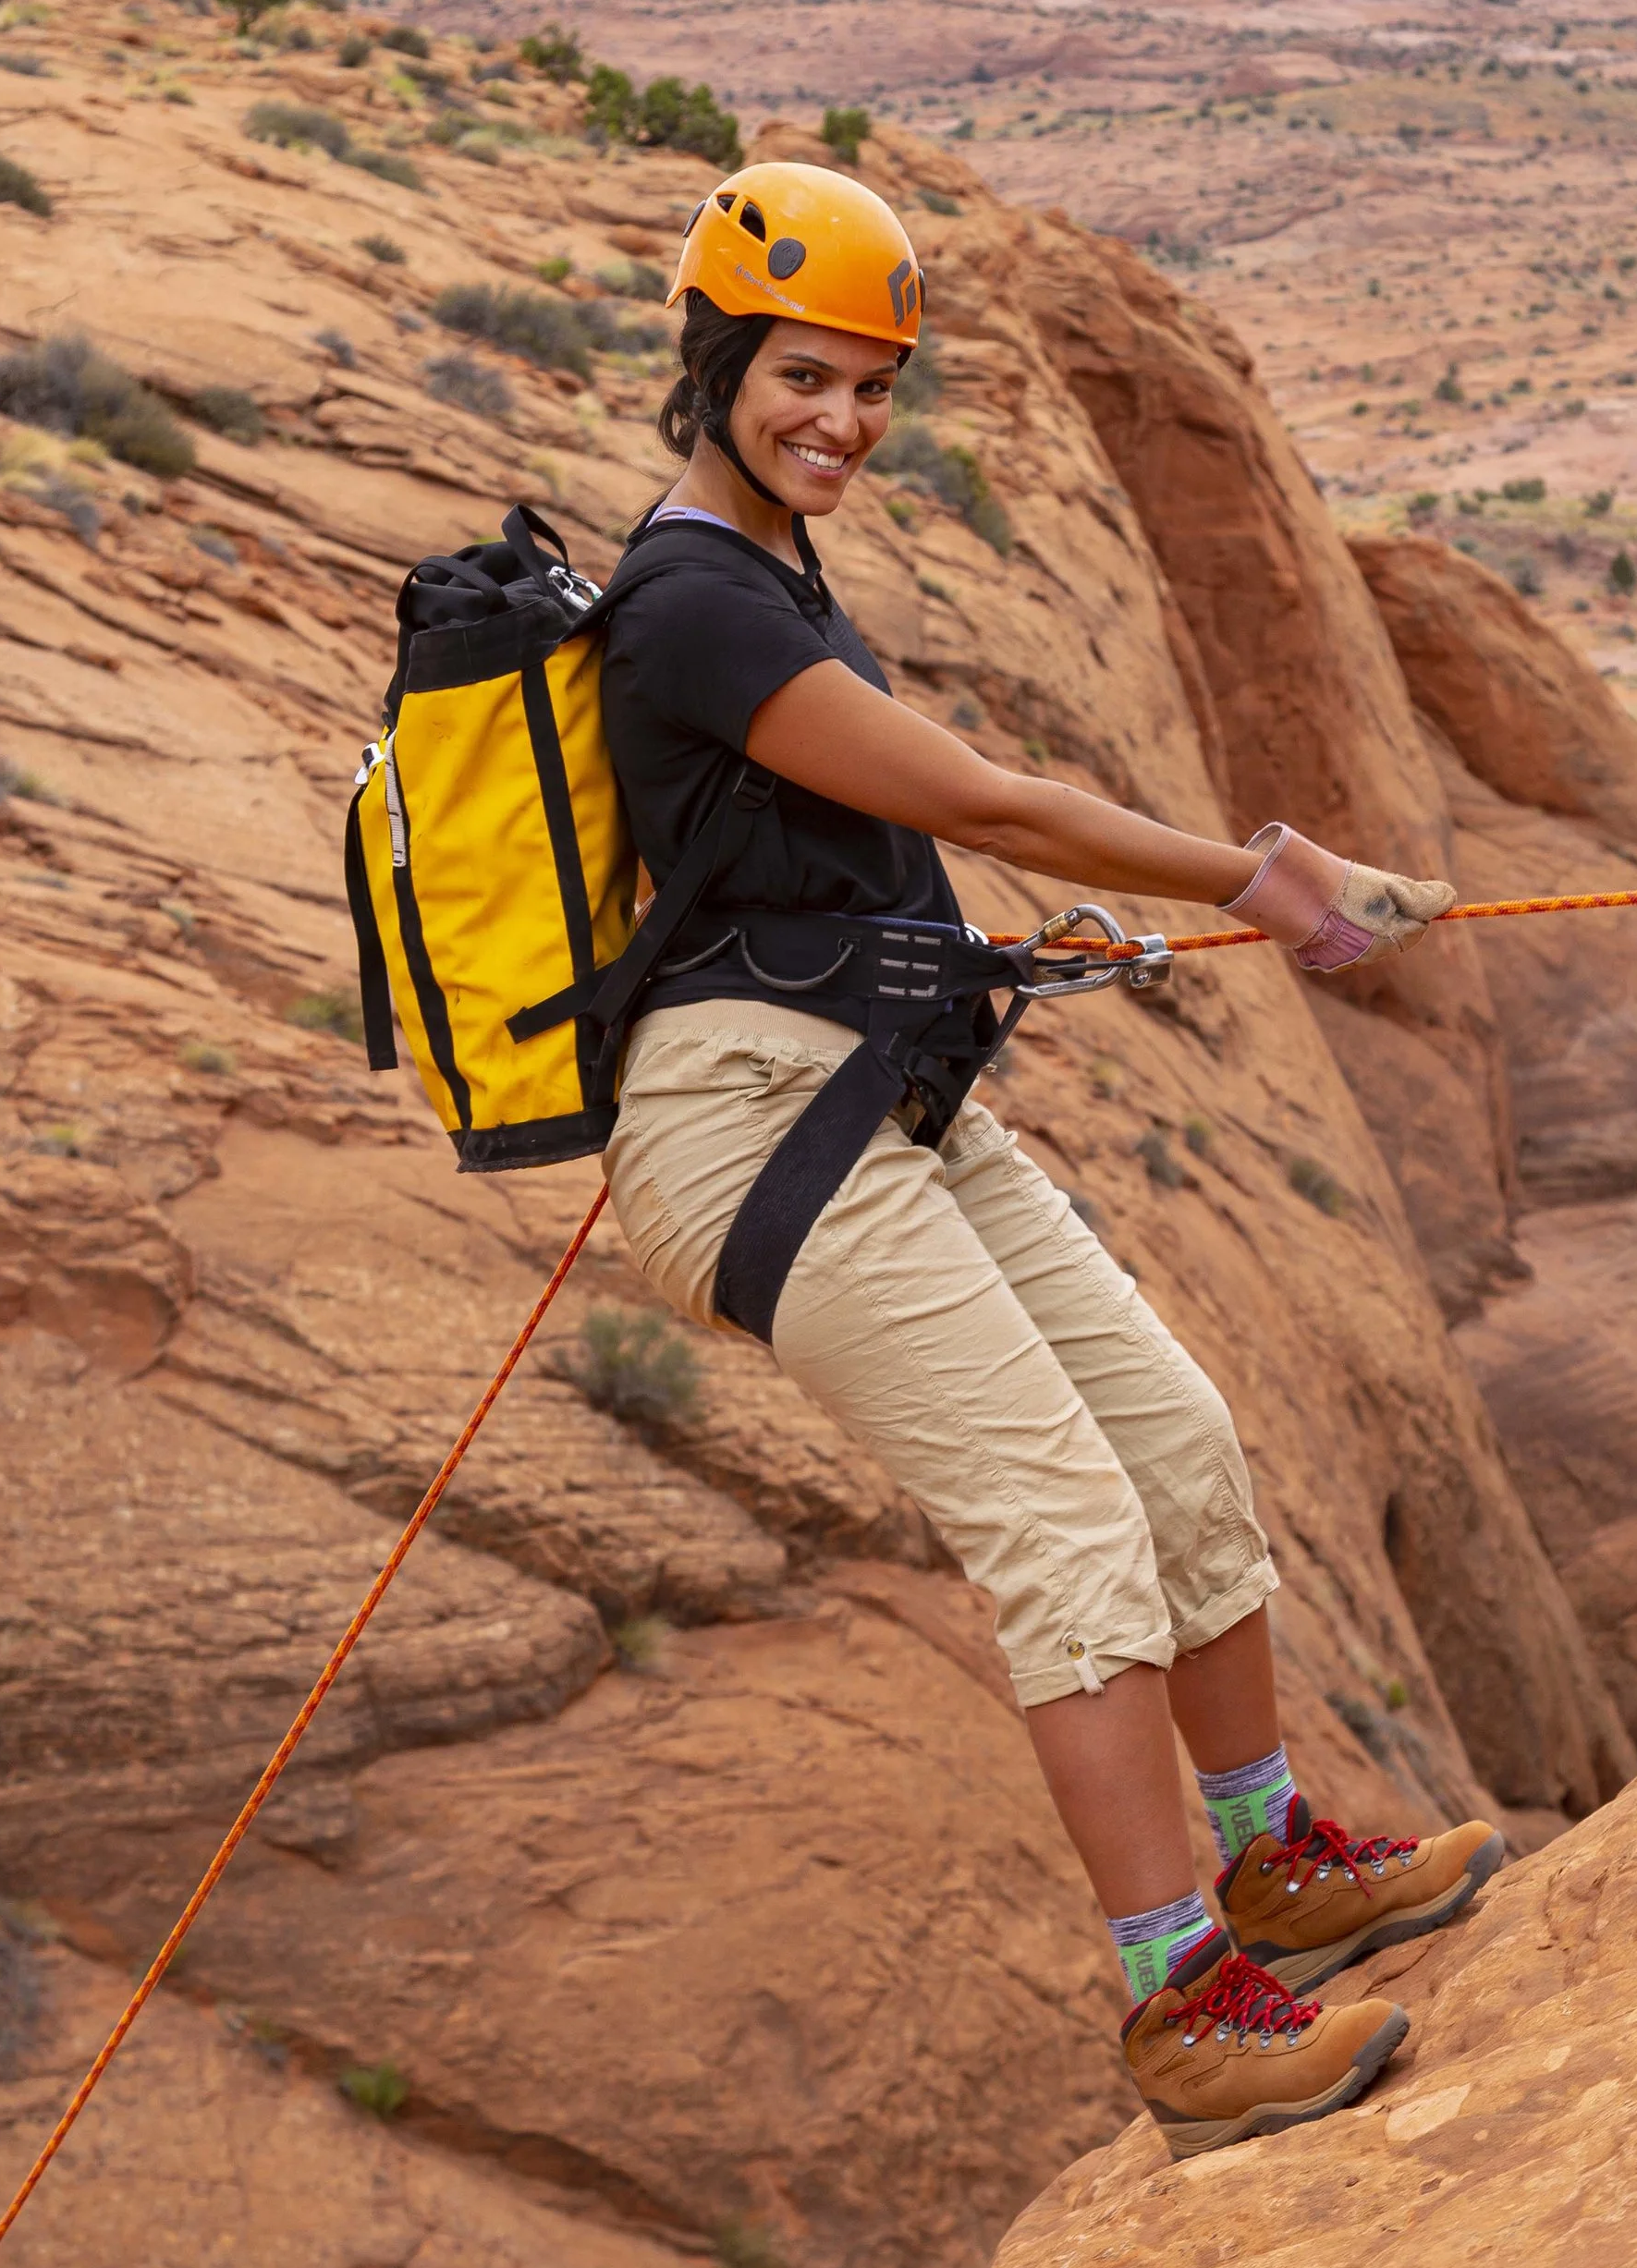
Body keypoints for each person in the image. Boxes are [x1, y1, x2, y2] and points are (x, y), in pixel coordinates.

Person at [596, 161, 1503, 2162]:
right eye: (801, 377)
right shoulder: (691, 600)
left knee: (1174, 1442)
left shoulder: (770, 576)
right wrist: (1260, 877)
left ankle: (1272, 1863)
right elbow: (994, 802)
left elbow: (823, 857)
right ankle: (1180, 2004)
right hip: (757, 1136)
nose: (840, 420)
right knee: (1066, 1527)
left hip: (882, 1093)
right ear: (716, 365)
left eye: (870, 387)